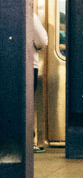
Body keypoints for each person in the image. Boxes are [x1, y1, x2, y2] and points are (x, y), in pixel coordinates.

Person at [32, 12, 48, 153]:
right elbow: (42, 40)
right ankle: (26, 142)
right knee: (24, 105)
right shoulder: (28, 13)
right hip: (28, 64)